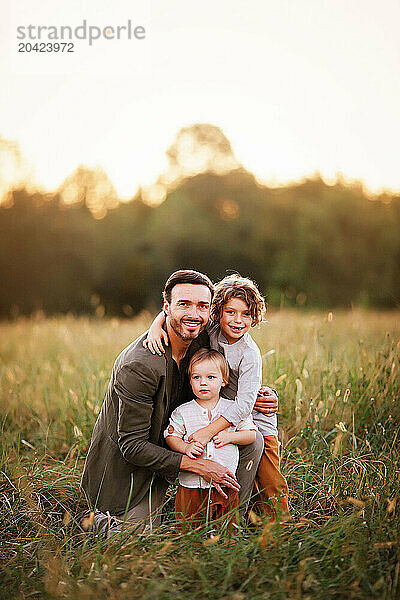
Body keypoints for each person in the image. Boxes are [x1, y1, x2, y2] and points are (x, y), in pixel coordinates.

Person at [80, 269, 263, 537]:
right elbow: (132, 446)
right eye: (183, 304)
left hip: (182, 441)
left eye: (202, 306)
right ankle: (90, 520)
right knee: (141, 537)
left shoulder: (201, 337)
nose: (193, 313)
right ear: (166, 308)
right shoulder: (139, 365)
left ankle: (226, 521)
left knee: (252, 439)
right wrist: (198, 465)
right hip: (135, 467)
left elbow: (230, 375)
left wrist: (264, 394)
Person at [145, 274, 290, 521]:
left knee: (268, 477)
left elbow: (245, 405)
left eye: (246, 314)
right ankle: (207, 511)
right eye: (231, 312)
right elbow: (175, 310)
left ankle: (272, 524)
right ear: (217, 312)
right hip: (214, 406)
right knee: (218, 458)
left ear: (254, 317)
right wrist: (155, 325)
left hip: (253, 417)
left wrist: (206, 432)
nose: (238, 320)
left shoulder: (249, 354)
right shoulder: (211, 329)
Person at [165, 348, 257, 530]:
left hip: (225, 483)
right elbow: (170, 436)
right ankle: (191, 551)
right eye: (196, 378)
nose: (203, 383)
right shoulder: (183, 411)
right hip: (191, 485)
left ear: (224, 381)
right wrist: (185, 448)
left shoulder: (232, 409)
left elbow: (251, 435)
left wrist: (230, 437)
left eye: (210, 378)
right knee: (188, 527)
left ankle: (225, 549)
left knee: (226, 528)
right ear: (190, 381)